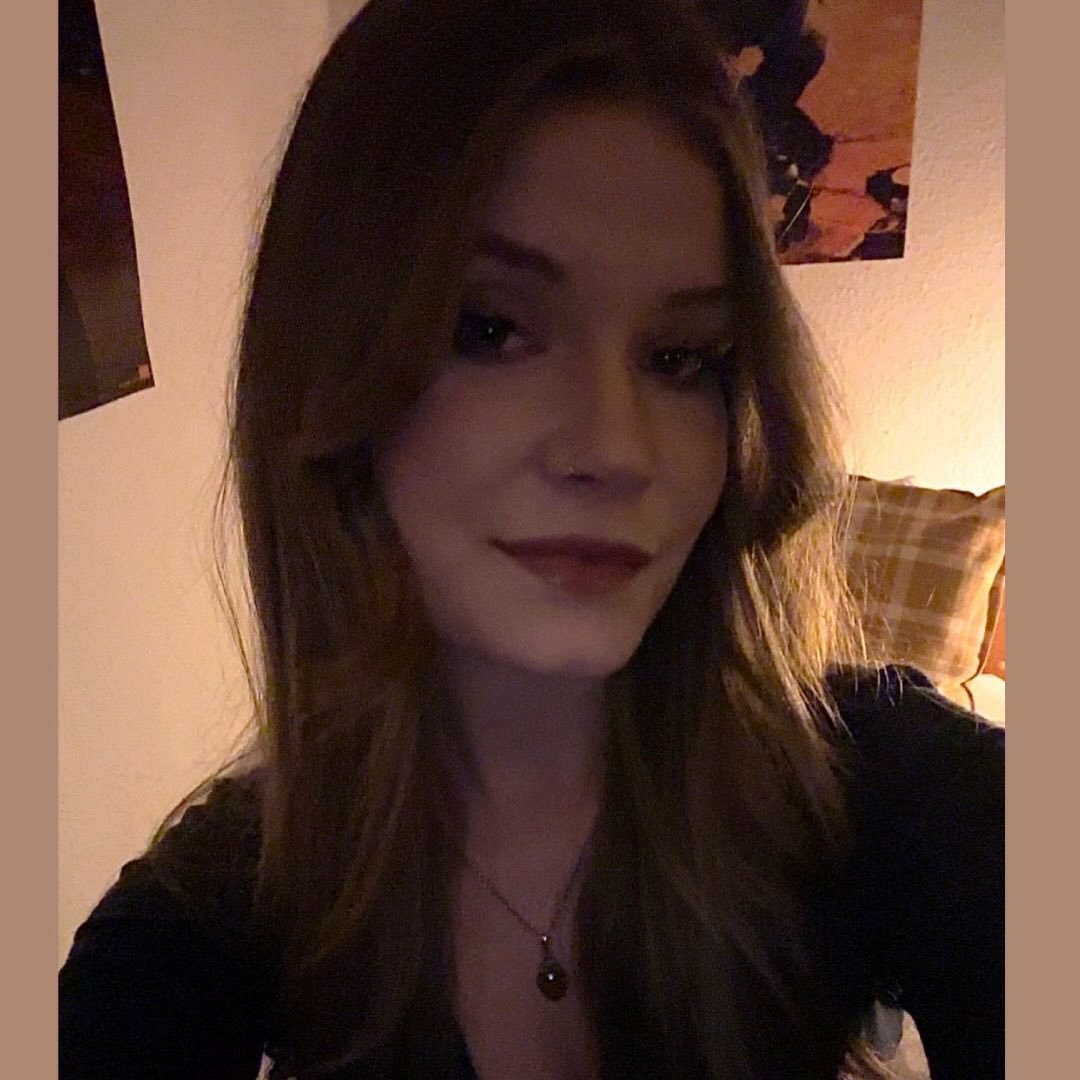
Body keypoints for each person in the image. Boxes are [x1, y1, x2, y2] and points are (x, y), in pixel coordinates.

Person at [58, 2, 1004, 1078]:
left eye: (681, 357)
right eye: (490, 329)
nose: (616, 449)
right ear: (332, 375)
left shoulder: (886, 787)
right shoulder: (209, 916)